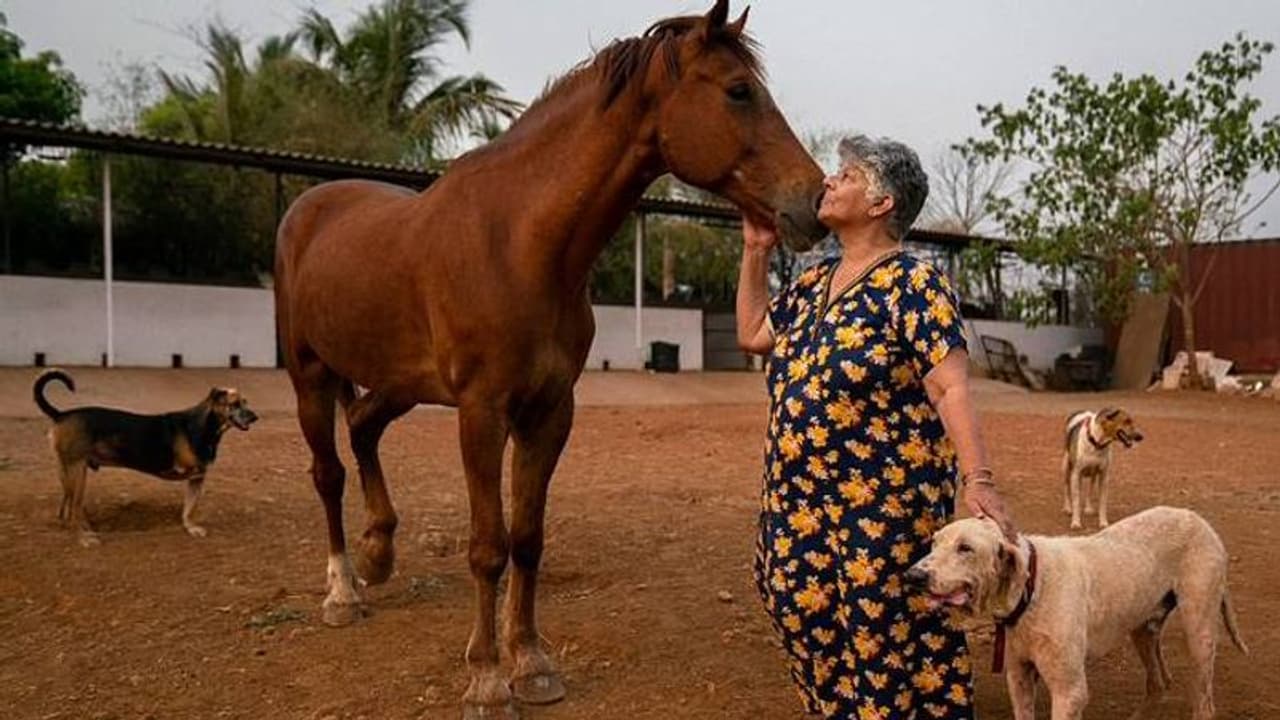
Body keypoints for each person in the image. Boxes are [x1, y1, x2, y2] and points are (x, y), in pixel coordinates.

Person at [736, 134, 1015, 719]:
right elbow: (755, 334)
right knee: (798, 608)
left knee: (882, 629)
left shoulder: (915, 285)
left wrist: (979, 478)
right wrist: (756, 251)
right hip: (795, 500)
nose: (829, 181)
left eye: (847, 174)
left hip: (881, 505)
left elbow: (950, 386)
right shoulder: (813, 284)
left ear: (883, 203)